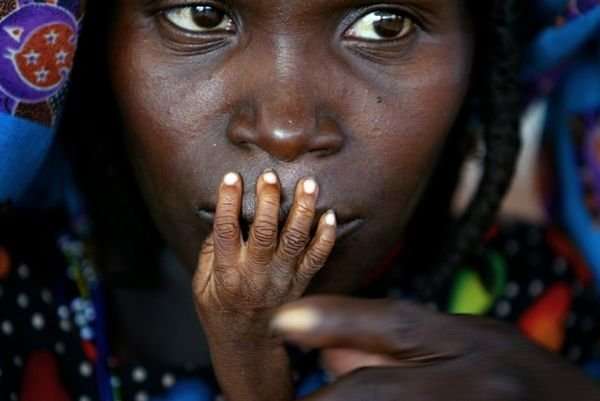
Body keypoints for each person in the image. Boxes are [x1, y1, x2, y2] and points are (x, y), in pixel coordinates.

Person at [1, 1, 599, 400]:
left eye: (384, 24)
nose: (285, 127)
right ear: (90, 48)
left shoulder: (549, 309)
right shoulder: (12, 302)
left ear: (483, 61)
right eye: (200, 15)